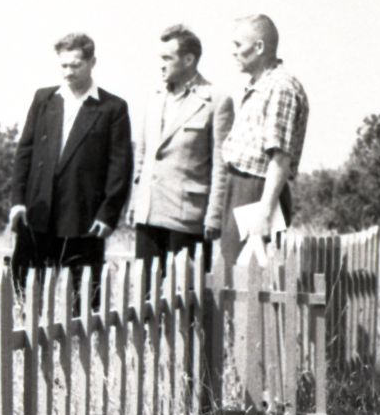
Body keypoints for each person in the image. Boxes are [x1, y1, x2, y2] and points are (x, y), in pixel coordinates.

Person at [9, 32, 132, 302]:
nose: (68, 72)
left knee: (84, 299)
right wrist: (18, 202)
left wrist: (108, 214)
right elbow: (24, 153)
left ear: (92, 62)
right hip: (38, 214)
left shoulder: (112, 108)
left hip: (83, 219)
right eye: (63, 65)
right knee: (24, 294)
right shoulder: (44, 99)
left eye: (75, 65)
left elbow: (120, 167)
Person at [129, 24, 234, 278]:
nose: (161, 65)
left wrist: (214, 215)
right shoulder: (153, 97)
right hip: (149, 213)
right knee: (146, 293)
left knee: (186, 294)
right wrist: (135, 202)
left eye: (167, 58)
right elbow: (142, 156)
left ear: (189, 60)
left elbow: (221, 166)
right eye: (160, 58)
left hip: (187, 218)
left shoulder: (216, 100)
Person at [219, 14, 309, 265]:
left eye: (239, 45)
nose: (234, 52)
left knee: (247, 274)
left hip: (257, 191)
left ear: (258, 47)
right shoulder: (259, 85)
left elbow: (280, 157)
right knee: (230, 271)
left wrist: (264, 212)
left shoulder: (280, 87)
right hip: (239, 187)